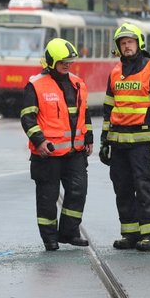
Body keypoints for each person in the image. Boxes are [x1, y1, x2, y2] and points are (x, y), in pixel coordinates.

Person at [20, 38, 93, 251]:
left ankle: (70, 232)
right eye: (63, 61)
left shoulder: (78, 83)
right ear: (51, 61)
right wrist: (39, 141)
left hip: (75, 153)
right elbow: (27, 118)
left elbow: (84, 114)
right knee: (47, 198)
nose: (67, 65)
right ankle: (49, 239)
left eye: (69, 61)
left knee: (78, 192)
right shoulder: (35, 85)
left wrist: (88, 139)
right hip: (47, 155)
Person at [100, 23, 150, 252]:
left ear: (139, 43)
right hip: (119, 143)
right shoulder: (115, 73)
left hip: (143, 142)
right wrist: (104, 141)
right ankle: (130, 234)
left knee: (144, 187)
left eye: (130, 42)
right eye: (123, 43)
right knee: (123, 188)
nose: (127, 47)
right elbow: (109, 109)